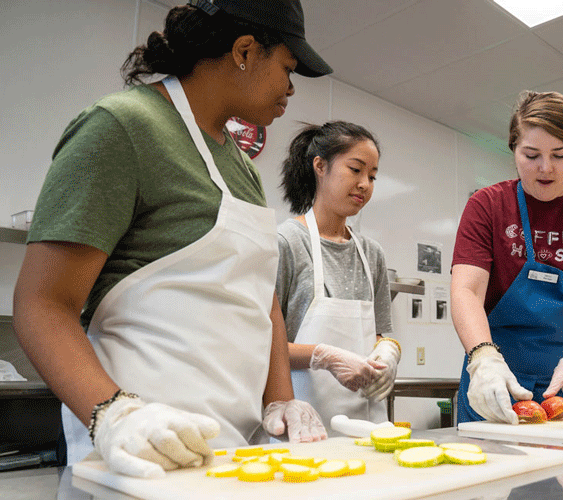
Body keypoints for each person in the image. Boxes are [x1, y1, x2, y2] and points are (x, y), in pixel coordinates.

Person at [12, 0, 331, 479]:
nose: (290, 89)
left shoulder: (244, 170)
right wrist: (117, 415)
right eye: (287, 69)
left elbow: (260, 302)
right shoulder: (122, 127)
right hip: (140, 456)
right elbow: (42, 304)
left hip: (233, 455)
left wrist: (282, 399)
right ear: (244, 50)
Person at [451, 91, 563, 424]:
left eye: (560, 155)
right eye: (531, 154)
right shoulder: (487, 206)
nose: (545, 168)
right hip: (497, 379)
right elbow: (467, 291)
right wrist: (482, 358)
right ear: (513, 149)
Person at [276, 121, 400, 424]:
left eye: (372, 176)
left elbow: (380, 334)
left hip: (367, 424)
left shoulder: (372, 254)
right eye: (355, 170)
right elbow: (262, 343)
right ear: (320, 166)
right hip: (302, 421)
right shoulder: (287, 242)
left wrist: (388, 352)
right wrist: (324, 356)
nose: (365, 184)